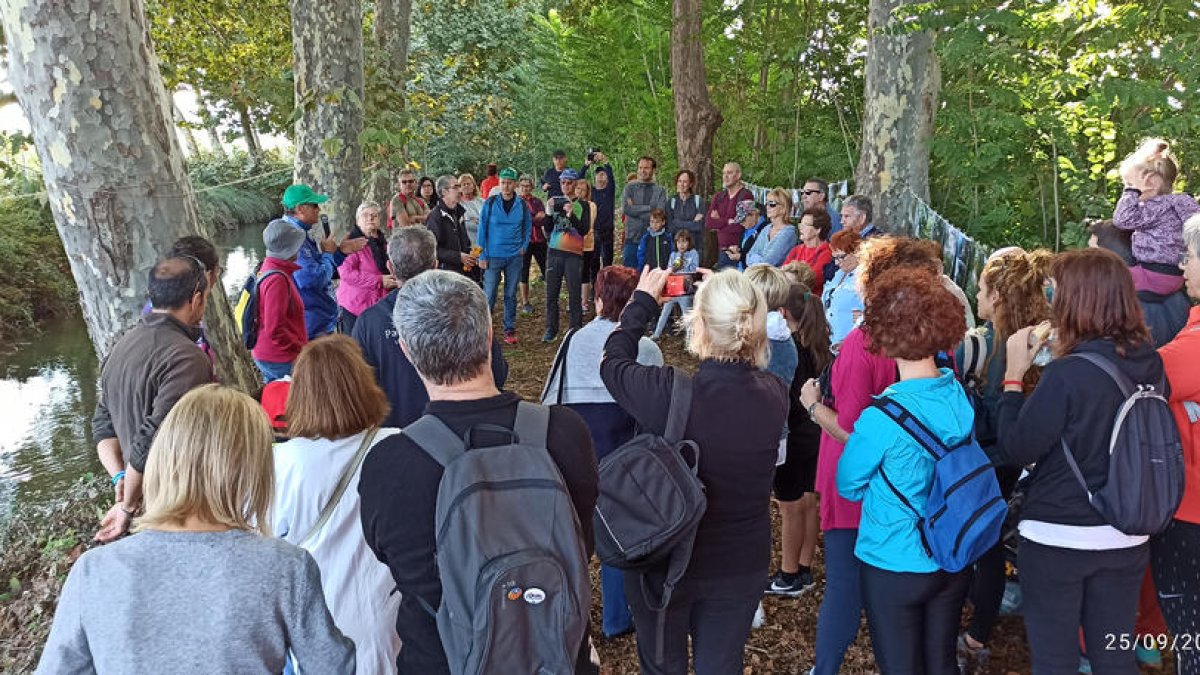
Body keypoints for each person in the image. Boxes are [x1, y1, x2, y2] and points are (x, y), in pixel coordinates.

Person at [358, 270, 599, 675]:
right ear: (489, 336)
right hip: (556, 653)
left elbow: (392, 561)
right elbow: (582, 541)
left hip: (441, 662)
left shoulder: (390, 464)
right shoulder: (566, 433)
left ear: (406, 350)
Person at [39, 385, 355, 674]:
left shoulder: (94, 572)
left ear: (165, 458)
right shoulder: (286, 567)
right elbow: (332, 666)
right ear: (252, 470)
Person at [600, 267, 788, 675]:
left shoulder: (667, 393)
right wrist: (731, 287)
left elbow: (611, 361)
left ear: (697, 323)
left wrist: (642, 304)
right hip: (740, 565)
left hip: (668, 562)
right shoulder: (775, 395)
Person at [992, 248, 1161, 675]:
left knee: (1055, 659)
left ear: (1078, 300)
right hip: (1126, 533)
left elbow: (1018, 446)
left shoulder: (1068, 374)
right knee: (1114, 656)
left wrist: (1013, 376)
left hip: (1059, 538)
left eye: (1056, 291)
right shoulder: (1150, 363)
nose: (1052, 300)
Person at [836, 267, 971, 675]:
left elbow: (847, 484)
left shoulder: (882, 417)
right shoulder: (958, 394)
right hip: (952, 554)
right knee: (942, 663)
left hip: (895, 560)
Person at [541, 266, 663, 638]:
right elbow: (656, 410)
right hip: (622, 452)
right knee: (617, 535)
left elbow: (549, 396)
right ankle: (616, 618)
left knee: (573, 538)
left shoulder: (572, 339)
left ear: (597, 299)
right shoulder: (645, 348)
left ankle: (569, 619)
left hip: (573, 449)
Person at [272, 336, 401, 674]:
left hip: (314, 625)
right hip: (391, 614)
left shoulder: (279, 463)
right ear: (364, 384)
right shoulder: (399, 447)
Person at [954, 247, 1052, 673]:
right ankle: (980, 623)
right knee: (989, 542)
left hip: (988, 458)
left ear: (997, 295)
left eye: (980, 288)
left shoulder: (987, 347)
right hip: (1018, 461)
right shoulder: (1042, 342)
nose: (975, 295)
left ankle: (976, 633)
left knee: (981, 544)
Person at [92, 256, 215, 543]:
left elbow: (103, 422)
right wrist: (128, 504)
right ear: (196, 298)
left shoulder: (122, 344)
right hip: (177, 501)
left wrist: (119, 478)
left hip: (146, 496)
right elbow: (154, 438)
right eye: (206, 296)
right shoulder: (187, 358)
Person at [351, 227, 508, 429]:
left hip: (398, 436)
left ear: (391, 268)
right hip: (464, 433)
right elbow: (497, 372)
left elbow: (359, 390)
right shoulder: (463, 308)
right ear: (435, 264)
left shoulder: (369, 322)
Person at [1154, 213, 1200, 675]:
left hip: (1190, 514)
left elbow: (1132, 381)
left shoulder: (1192, 348)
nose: (1182, 266)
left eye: (1188, 256)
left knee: (1191, 638)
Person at [766, 282, 830, 598]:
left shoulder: (787, 348)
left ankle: (787, 573)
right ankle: (804, 568)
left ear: (782, 313)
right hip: (816, 434)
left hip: (793, 437)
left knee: (790, 508)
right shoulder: (821, 345)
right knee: (809, 502)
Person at [275, 183, 367, 338]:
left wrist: (340, 253)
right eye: (314, 205)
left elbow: (322, 268)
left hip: (319, 319)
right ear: (300, 209)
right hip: (311, 324)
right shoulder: (293, 237)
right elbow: (311, 279)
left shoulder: (300, 232)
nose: (318, 210)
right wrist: (329, 254)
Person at [1114, 138, 1199, 296]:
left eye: (1129, 183)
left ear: (1150, 183)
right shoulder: (1180, 201)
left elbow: (1121, 220)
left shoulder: (1152, 208)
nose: (1127, 191)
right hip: (1176, 273)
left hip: (1153, 275)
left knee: (1105, 274)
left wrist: (1131, 191)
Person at [1089, 218, 1189, 347]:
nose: (1087, 260)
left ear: (1115, 258)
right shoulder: (1173, 288)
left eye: (1093, 254)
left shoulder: (1119, 304)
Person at [478, 167, 532, 344]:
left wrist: (524, 246)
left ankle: (509, 329)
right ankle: (484, 330)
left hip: (514, 256)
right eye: (503, 183)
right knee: (490, 293)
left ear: (515, 185)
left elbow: (527, 227)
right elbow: (482, 229)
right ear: (499, 183)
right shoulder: (491, 203)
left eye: (509, 183)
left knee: (510, 293)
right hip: (493, 256)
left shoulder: (522, 205)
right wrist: (482, 254)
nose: (506, 186)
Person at [252, 220, 309, 382]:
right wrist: (300, 350)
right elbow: (275, 328)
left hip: (271, 354)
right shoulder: (277, 279)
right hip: (279, 358)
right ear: (289, 249)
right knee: (288, 403)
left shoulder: (269, 267)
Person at [543, 169, 591, 342]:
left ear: (575, 184)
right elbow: (547, 228)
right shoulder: (554, 201)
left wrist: (571, 215)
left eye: (569, 182)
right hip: (554, 252)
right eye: (563, 182)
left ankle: (575, 328)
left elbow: (584, 230)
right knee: (551, 293)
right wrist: (548, 211)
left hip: (574, 254)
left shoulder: (583, 205)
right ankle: (551, 328)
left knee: (574, 293)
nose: (566, 186)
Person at [338, 202, 397, 335]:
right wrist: (379, 280)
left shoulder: (384, 243)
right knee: (353, 350)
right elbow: (346, 273)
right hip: (354, 306)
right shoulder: (351, 242)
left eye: (374, 215)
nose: (370, 218)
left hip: (377, 305)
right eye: (365, 215)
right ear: (358, 220)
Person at [650, 229, 700, 340]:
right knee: (665, 312)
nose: (681, 245)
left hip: (685, 290)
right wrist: (674, 267)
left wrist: (683, 265)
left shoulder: (693, 253)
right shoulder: (673, 255)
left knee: (686, 314)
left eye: (684, 242)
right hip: (673, 289)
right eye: (679, 242)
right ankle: (656, 334)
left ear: (689, 242)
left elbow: (694, 269)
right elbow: (669, 268)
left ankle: (690, 340)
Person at [621, 156, 669, 268]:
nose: (643, 171)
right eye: (640, 167)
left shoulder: (660, 190)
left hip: (653, 240)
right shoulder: (629, 188)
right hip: (632, 239)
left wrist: (636, 209)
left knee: (651, 277)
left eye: (646, 168)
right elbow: (627, 209)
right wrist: (649, 207)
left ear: (653, 170)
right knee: (629, 277)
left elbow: (659, 213)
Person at [706, 162, 755, 268]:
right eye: (724, 173)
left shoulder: (746, 195)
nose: (725, 177)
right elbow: (709, 223)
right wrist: (728, 221)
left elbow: (741, 226)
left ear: (738, 175)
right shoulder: (718, 197)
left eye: (729, 173)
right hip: (721, 250)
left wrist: (719, 222)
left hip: (738, 251)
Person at [425, 174, 476, 277]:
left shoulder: (459, 212)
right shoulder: (435, 217)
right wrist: (458, 257)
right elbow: (433, 249)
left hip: (464, 272)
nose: (460, 190)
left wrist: (470, 254)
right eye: (456, 187)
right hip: (446, 274)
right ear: (444, 192)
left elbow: (464, 241)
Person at [822, 229, 864, 347]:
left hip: (850, 342)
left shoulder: (865, 278)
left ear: (857, 253)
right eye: (834, 258)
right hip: (830, 340)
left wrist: (864, 317)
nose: (836, 263)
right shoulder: (839, 274)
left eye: (841, 257)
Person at [782, 208, 834, 293]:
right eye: (800, 224)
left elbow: (810, 281)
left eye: (805, 224)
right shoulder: (796, 250)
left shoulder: (826, 253)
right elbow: (782, 275)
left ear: (818, 230)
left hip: (809, 300)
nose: (800, 228)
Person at [518, 173, 549, 314]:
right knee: (523, 272)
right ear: (519, 186)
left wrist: (532, 219)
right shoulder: (516, 202)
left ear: (531, 186)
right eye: (523, 186)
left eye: (528, 185)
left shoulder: (537, 201)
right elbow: (519, 221)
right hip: (523, 242)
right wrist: (533, 218)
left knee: (547, 268)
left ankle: (551, 297)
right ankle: (525, 302)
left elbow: (543, 219)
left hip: (539, 240)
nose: (525, 188)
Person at [746, 188, 799, 267]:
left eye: (772, 204)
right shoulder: (767, 228)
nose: (767, 207)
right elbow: (749, 256)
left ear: (784, 208)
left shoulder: (789, 233)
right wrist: (759, 260)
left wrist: (756, 259)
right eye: (766, 203)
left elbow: (769, 262)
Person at [669, 169, 706, 261]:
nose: (681, 184)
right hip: (676, 250)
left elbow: (699, 226)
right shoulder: (671, 202)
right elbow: (670, 227)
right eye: (679, 181)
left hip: (695, 248)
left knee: (694, 274)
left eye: (685, 181)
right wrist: (692, 223)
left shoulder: (698, 201)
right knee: (677, 274)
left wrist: (677, 222)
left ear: (691, 184)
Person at [721, 200, 768, 271]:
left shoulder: (766, 229)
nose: (741, 223)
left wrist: (740, 256)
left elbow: (762, 257)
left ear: (754, 214)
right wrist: (737, 249)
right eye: (740, 220)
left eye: (743, 219)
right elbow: (745, 248)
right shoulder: (749, 227)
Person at [576, 178, 600, 312]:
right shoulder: (571, 203)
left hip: (587, 243)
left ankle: (584, 301)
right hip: (572, 245)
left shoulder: (591, 205)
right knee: (574, 273)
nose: (580, 191)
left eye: (583, 189)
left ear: (587, 192)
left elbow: (588, 224)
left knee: (585, 272)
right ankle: (575, 299)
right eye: (577, 188)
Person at [590, 155, 617, 268]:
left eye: (603, 175)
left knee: (607, 261)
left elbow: (611, 176)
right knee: (594, 261)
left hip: (607, 231)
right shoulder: (591, 191)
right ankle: (595, 283)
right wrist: (586, 165)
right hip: (594, 230)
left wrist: (605, 161)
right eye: (598, 175)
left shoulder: (609, 190)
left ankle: (607, 283)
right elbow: (578, 183)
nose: (600, 177)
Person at [458, 172, 485, 242]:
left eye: (469, 184)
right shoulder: (457, 204)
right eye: (464, 184)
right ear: (460, 188)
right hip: (465, 242)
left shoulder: (482, 202)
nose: (466, 186)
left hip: (482, 240)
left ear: (473, 186)